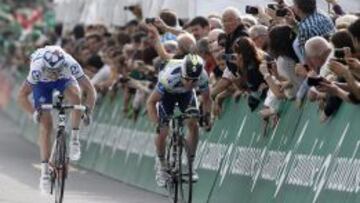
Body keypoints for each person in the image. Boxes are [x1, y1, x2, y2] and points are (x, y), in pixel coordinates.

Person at [17, 45, 96, 193]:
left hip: (64, 80)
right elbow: (21, 96)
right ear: (44, 66)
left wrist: (89, 110)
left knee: (76, 97)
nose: (53, 74)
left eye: (56, 71)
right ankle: (45, 174)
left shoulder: (70, 64)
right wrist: (33, 113)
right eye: (50, 71)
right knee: (46, 126)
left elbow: (90, 89)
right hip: (42, 84)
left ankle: (74, 139)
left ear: (63, 65)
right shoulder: (36, 69)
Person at [146, 54, 212, 187]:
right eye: (187, 79)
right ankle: (162, 165)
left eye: (194, 81)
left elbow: (206, 99)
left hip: (186, 96)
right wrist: (157, 123)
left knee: (193, 124)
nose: (190, 83)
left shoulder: (203, 76)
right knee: (162, 131)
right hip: (167, 95)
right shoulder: (168, 78)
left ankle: (190, 165)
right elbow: (151, 102)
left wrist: (206, 117)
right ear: (182, 74)